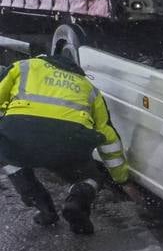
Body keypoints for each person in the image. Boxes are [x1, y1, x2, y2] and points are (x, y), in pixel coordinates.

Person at [0, 52, 131, 234]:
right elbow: (108, 135)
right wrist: (120, 178)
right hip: (69, 143)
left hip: (20, 137)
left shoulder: (25, 66)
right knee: (91, 178)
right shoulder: (89, 87)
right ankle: (76, 202)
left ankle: (43, 207)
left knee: (7, 153)